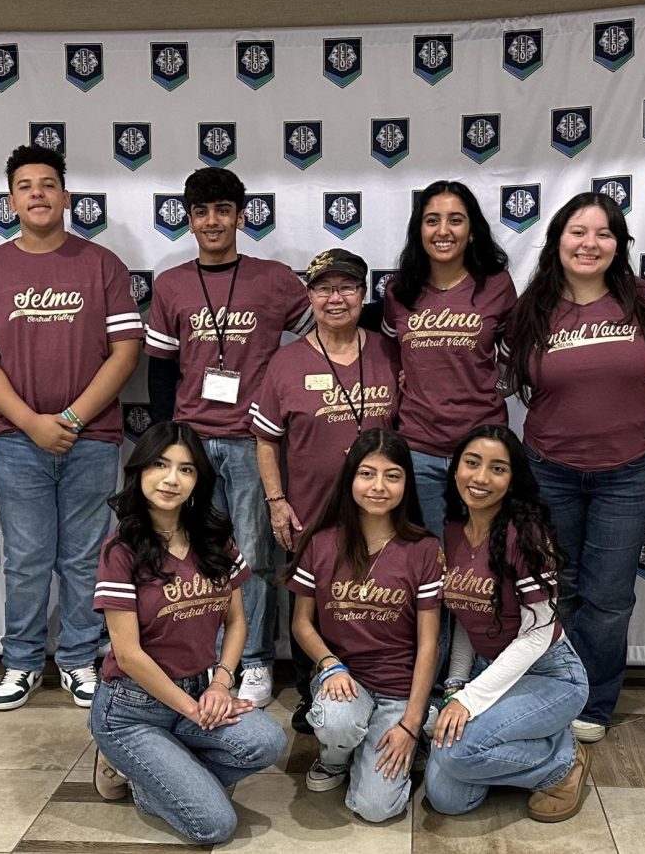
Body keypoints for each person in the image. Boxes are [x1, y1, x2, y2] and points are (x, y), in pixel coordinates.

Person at [0, 145, 143, 711]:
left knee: (86, 556)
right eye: (24, 185)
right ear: (10, 200)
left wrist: (71, 419)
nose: (36, 193)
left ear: (65, 196)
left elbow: (125, 350)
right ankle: (20, 662)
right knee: (28, 555)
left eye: (47, 184)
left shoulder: (101, 264)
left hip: (92, 438)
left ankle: (80, 658)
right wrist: (33, 423)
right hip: (18, 440)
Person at [501, 192, 645, 744]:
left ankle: (594, 702)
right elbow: (503, 380)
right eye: (578, 232)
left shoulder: (641, 301)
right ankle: (555, 687)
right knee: (560, 587)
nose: (590, 243)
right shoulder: (531, 309)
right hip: (550, 468)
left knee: (608, 597)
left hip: (626, 473)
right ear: (558, 240)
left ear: (618, 245)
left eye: (603, 233)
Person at [146, 168, 313, 708]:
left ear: (242, 217)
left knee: (257, 558)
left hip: (252, 442)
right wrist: (166, 442)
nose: (212, 221)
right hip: (192, 446)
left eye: (223, 210)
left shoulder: (277, 279)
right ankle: (210, 660)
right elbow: (160, 371)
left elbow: (324, 338)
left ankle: (257, 662)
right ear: (188, 221)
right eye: (201, 212)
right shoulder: (170, 284)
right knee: (200, 558)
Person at [88, 421, 286, 844]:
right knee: (213, 825)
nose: (171, 479)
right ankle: (136, 773)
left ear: (198, 480)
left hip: (199, 689)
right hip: (132, 711)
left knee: (267, 742)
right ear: (140, 471)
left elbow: (236, 621)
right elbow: (128, 655)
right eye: (160, 464)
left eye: (186, 468)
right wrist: (193, 710)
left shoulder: (214, 539)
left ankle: (158, 772)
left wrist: (220, 684)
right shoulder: (121, 550)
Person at [250, 247, 400, 733]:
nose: (336, 298)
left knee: (376, 598)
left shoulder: (387, 351)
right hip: (312, 513)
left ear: (364, 294)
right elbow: (267, 440)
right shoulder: (285, 362)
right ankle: (314, 688)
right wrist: (277, 503)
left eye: (347, 287)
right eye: (323, 288)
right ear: (310, 297)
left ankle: (383, 687)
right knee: (310, 602)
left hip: (381, 510)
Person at [426, 425, 590, 822]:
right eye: (472, 463)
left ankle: (564, 762)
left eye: (498, 469)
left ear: (513, 478)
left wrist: (471, 699)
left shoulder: (527, 535)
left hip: (550, 674)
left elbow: (538, 634)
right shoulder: (451, 530)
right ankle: (525, 746)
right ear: (456, 469)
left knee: (455, 751)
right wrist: (456, 683)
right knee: (446, 797)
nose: (481, 478)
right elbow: (467, 615)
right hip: (491, 670)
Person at [286, 429, 443, 824]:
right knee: (339, 722)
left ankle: (405, 733)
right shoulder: (321, 542)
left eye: (392, 476)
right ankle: (337, 758)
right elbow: (302, 623)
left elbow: (429, 645)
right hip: (343, 679)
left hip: (397, 691)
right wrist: (329, 663)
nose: (378, 486)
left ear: (407, 483)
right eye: (367, 474)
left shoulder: (424, 549)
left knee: (376, 810)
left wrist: (409, 722)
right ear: (350, 478)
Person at [382, 181, 515, 540]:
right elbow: (391, 355)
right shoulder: (399, 291)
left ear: (472, 231)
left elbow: (511, 354)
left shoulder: (497, 285)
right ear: (418, 230)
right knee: (429, 558)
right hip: (418, 447)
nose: (443, 231)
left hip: (482, 448)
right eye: (432, 221)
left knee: (483, 560)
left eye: (455, 220)